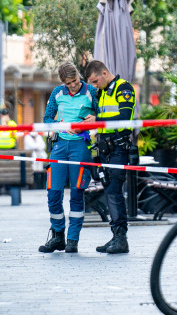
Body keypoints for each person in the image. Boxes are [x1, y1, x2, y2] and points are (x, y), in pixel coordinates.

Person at [39, 63, 97, 253]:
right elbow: (47, 119)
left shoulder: (91, 92)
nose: (73, 86)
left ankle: (72, 239)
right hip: (60, 145)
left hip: (80, 145)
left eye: (75, 81)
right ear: (63, 82)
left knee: (77, 193)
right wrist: (60, 125)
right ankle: (57, 236)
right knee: (53, 192)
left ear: (79, 76)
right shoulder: (57, 93)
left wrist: (95, 118)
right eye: (68, 83)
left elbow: (103, 114)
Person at [85, 59, 137, 255]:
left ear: (104, 74)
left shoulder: (123, 89)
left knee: (114, 190)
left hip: (119, 148)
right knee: (109, 190)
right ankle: (116, 235)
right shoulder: (101, 92)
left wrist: (98, 120)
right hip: (105, 148)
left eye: (95, 81)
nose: (94, 85)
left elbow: (124, 118)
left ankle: (121, 238)